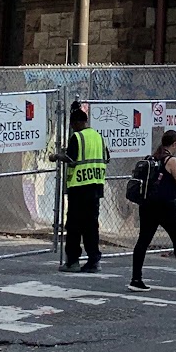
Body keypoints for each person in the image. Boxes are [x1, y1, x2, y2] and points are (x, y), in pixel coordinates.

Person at [130, 128, 176, 289]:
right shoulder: (171, 160)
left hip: (148, 205)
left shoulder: (153, 158)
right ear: (175, 143)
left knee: (143, 241)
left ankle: (136, 279)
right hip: (166, 206)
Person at [63, 102, 108, 272]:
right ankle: (94, 261)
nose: (72, 128)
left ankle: (72, 261)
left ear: (76, 123)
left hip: (79, 187)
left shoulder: (77, 137)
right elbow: (106, 157)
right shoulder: (98, 136)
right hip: (95, 187)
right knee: (91, 226)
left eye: (72, 124)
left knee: (74, 226)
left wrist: (57, 156)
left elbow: (71, 159)